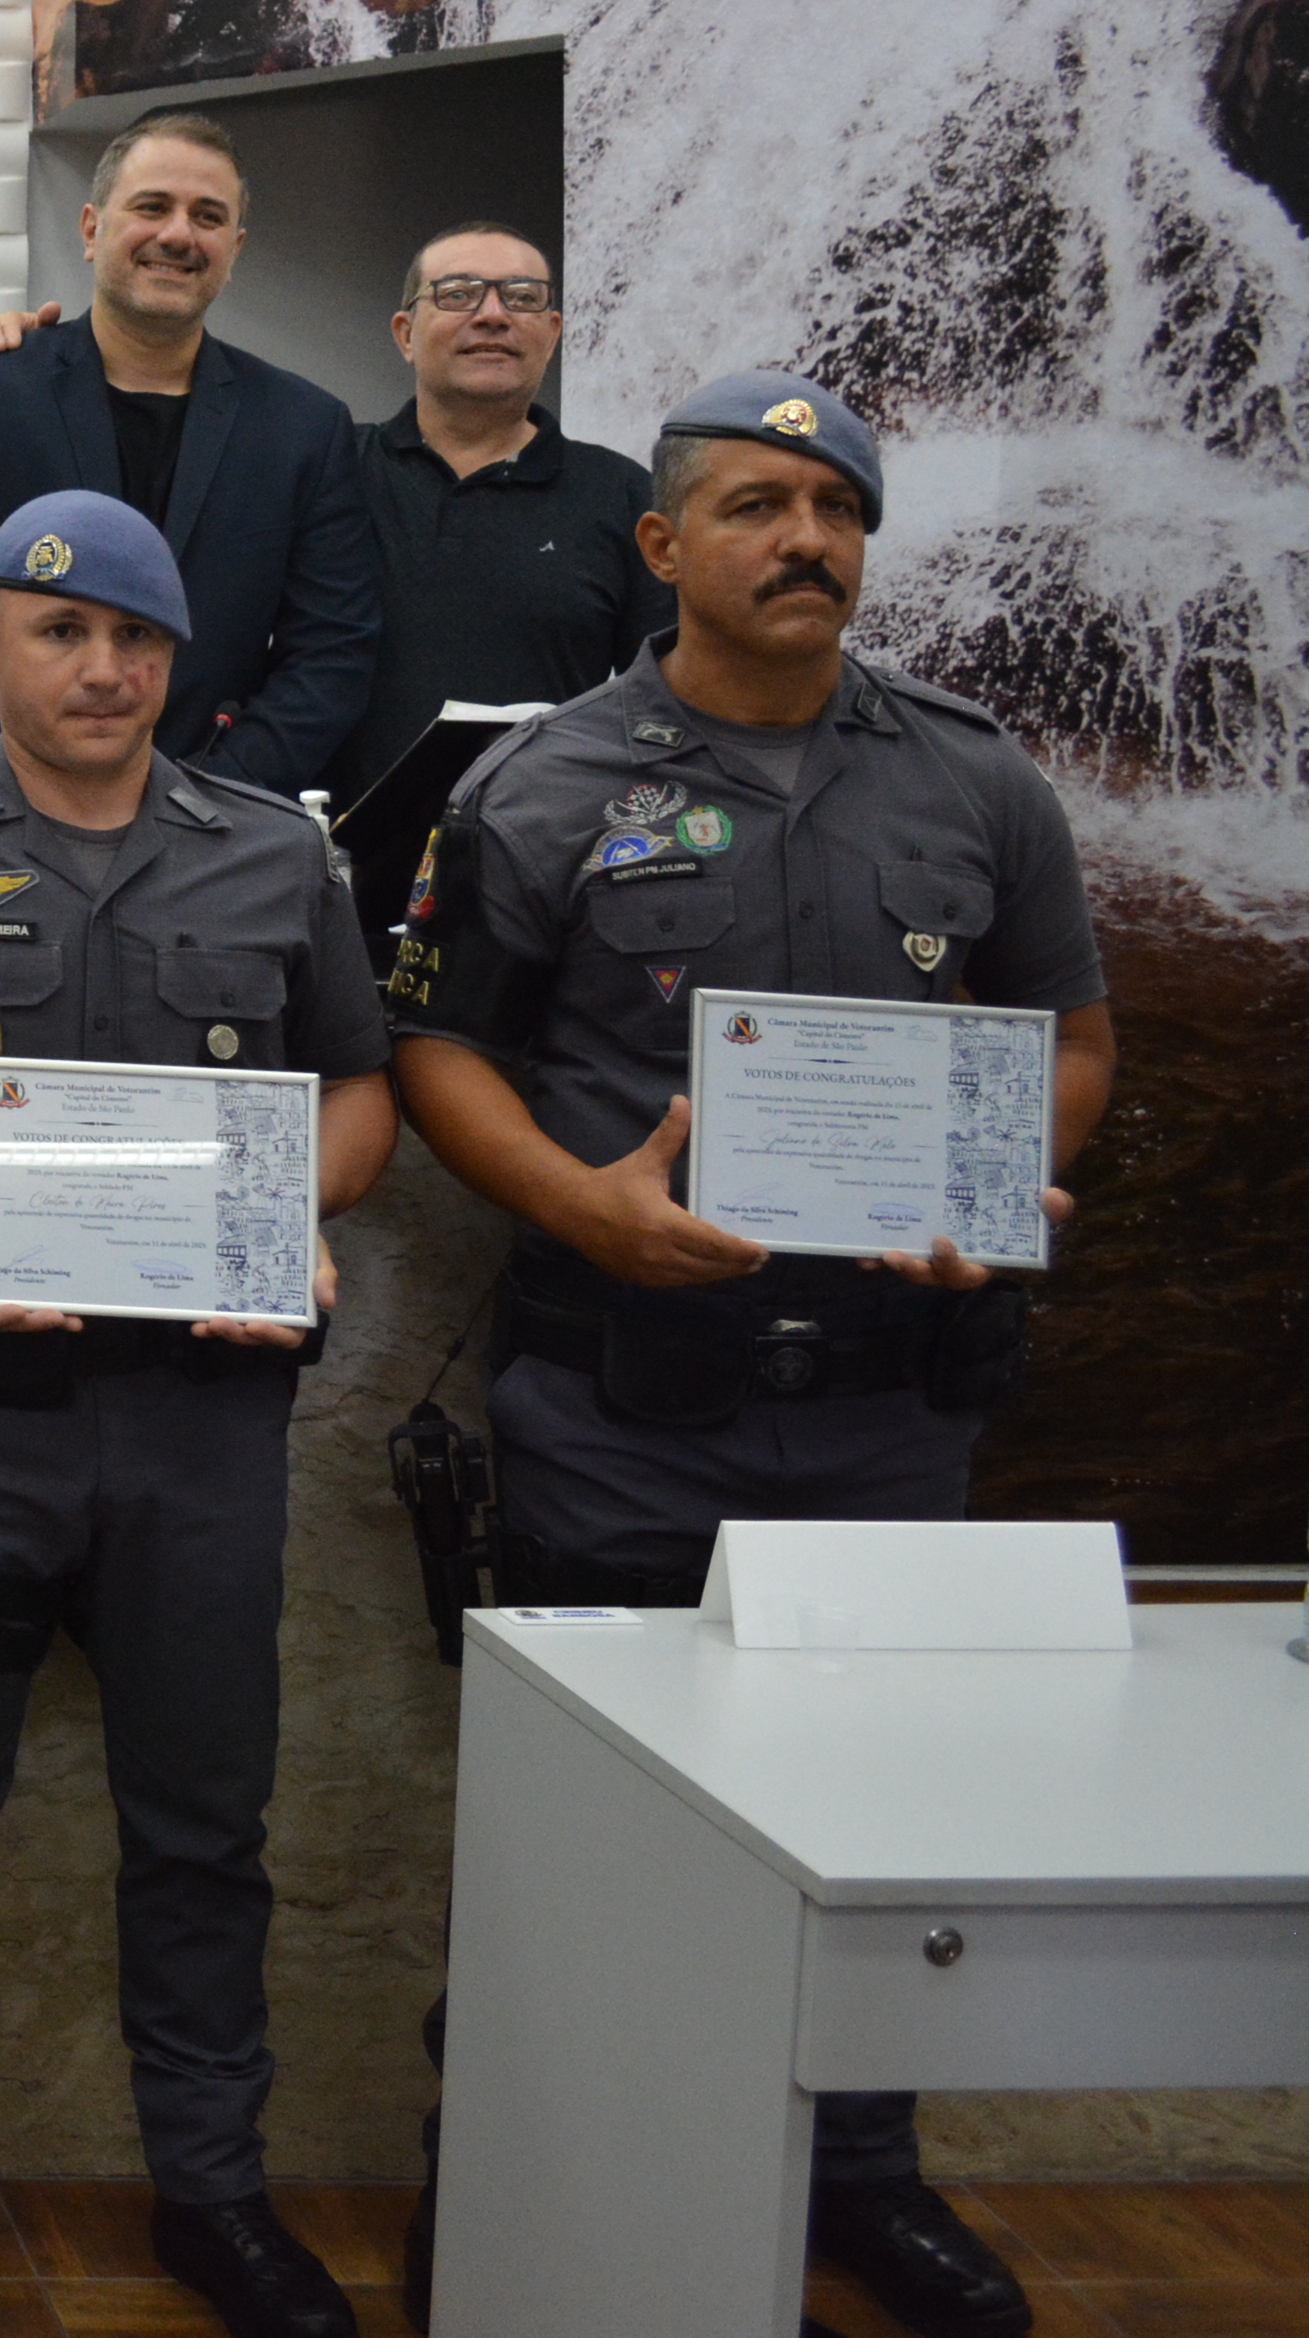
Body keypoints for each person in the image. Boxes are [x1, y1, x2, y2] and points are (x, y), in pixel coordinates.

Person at [385, 372, 1114, 2338]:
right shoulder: (535, 787)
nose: (805, 539)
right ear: (664, 544)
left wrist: (1001, 1173)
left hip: (888, 1416)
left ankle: (854, 2175)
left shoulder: (977, 784)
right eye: (760, 505)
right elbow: (437, 1046)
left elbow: (1068, 1028)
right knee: (581, 1841)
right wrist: (576, 1203)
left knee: (872, 1821)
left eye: (836, 508)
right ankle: (523, 2170)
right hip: (625, 1406)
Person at [0, 491, 394, 2338]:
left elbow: (359, 1090)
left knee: (203, 1826)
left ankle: (214, 2192)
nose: (101, 669)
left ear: (176, 664)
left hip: (203, 1427)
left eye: (136, 640)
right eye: (61, 633)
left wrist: (301, 1215)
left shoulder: (273, 857)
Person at [0, 113, 376, 796]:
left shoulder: (305, 428)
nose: (178, 234)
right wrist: (48, 777)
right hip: (1, 819)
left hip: (217, 829)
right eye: (152, 207)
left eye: (207, 217)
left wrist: (200, 801)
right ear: (91, 229)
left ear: (234, 250)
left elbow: (332, 654)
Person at [326, 222, 667, 798]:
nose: (492, 315)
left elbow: (664, 703)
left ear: (552, 333)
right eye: (457, 294)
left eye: (522, 297)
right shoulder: (329, 471)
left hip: (543, 849)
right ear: (405, 333)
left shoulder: (627, 498)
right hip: (335, 856)